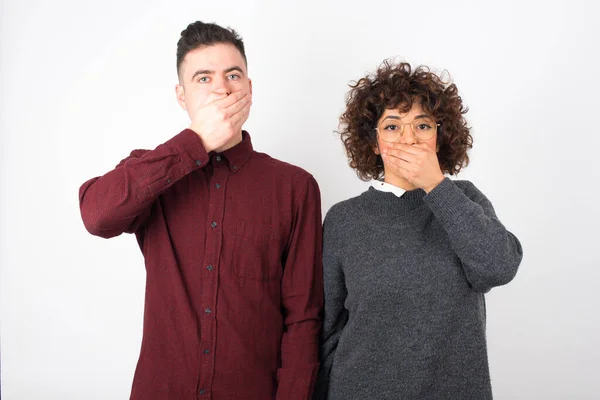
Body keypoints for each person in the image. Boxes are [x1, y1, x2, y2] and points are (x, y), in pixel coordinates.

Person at [79, 21, 323, 400]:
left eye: (233, 75)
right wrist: (194, 141)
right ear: (182, 96)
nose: (222, 88)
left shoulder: (295, 187)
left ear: (250, 88)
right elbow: (97, 216)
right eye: (203, 78)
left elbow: (303, 319)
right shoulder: (152, 173)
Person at [314, 61, 523, 399]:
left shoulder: (464, 200)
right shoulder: (344, 220)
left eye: (422, 126)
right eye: (393, 126)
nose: (409, 139)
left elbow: (499, 268)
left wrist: (435, 186)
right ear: (373, 143)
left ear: (440, 137)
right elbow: (327, 328)